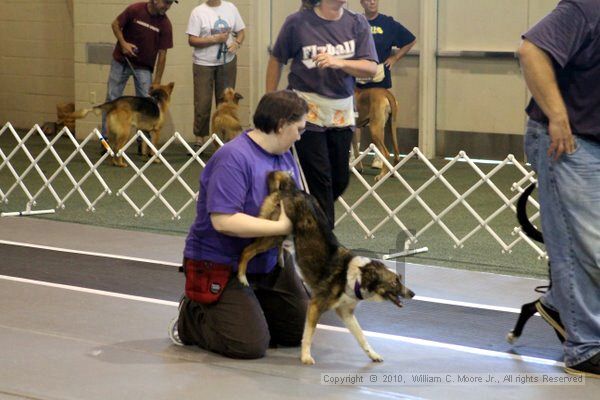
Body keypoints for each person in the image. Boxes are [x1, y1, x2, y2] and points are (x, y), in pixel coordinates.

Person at [168, 90, 309, 360]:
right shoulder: (233, 158)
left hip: (266, 259)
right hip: (221, 261)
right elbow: (223, 221)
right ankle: (192, 318)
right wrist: (281, 229)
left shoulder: (285, 155)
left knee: (298, 332)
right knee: (249, 346)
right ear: (281, 125)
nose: (300, 136)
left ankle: (248, 308)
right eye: (298, 129)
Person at [518, 0, 600, 378]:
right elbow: (531, 50)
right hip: (569, 140)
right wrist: (557, 116)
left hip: (592, 138)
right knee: (582, 246)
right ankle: (585, 349)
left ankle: (556, 304)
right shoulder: (586, 6)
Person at [266, 0, 378, 229]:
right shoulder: (297, 23)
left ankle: (304, 219)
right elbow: (277, 59)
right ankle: (326, 243)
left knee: (339, 179)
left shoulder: (358, 23)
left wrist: (339, 62)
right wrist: (271, 99)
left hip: (341, 111)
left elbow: (371, 67)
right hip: (306, 110)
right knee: (320, 179)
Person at [102, 0, 175, 138]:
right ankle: (105, 140)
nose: (167, 7)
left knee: (147, 105)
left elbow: (163, 54)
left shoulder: (165, 24)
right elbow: (115, 24)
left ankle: (143, 145)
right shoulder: (135, 9)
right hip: (122, 62)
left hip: (144, 67)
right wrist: (123, 44)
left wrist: (157, 81)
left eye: (170, 4)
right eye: (165, 3)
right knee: (112, 100)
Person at [356, 0, 415, 169]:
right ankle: (355, 155)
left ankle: (379, 157)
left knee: (378, 119)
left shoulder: (388, 23)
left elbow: (410, 40)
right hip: (358, 77)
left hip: (379, 78)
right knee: (355, 117)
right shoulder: (355, 22)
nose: (372, 2)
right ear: (362, 2)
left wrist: (395, 58)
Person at [187, 0, 246, 149]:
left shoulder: (231, 8)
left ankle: (227, 138)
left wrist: (237, 43)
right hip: (203, 63)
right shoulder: (198, 12)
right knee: (202, 102)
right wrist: (214, 39)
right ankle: (199, 138)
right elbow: (192, 40)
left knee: (227, 104)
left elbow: (241, 32)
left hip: (227, 61)